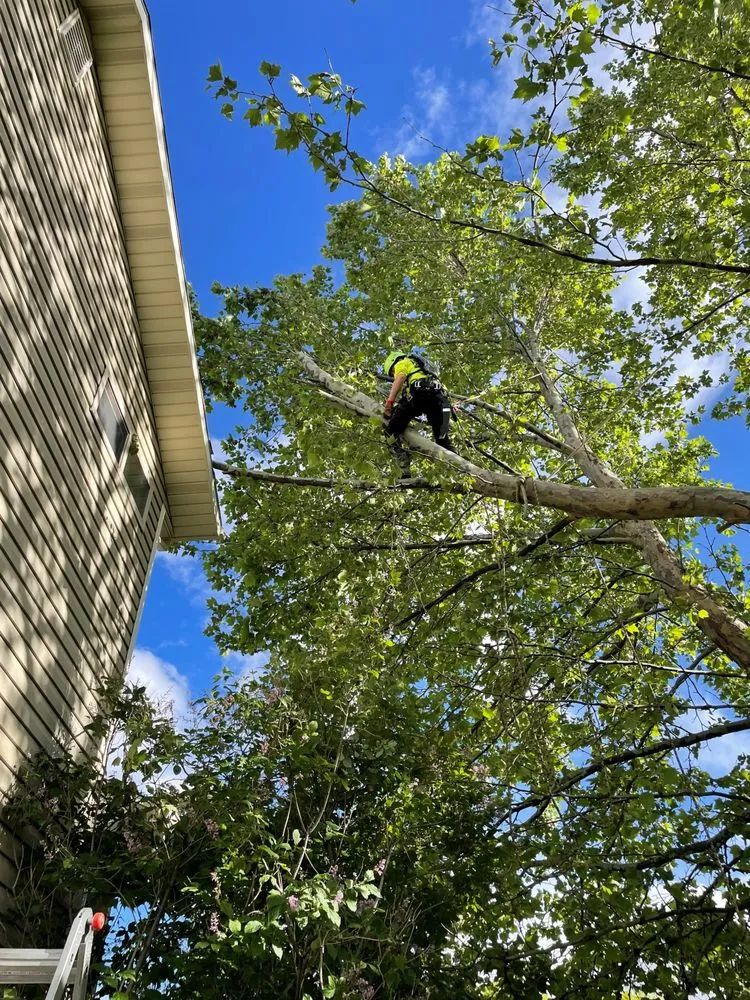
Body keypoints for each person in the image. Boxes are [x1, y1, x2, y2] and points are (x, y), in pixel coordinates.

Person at [382, 350, 456, 478]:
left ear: (393, 364)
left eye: (392, 372)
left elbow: (399, 378)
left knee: (391, 432)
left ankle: (403, 467)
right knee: (442, 439)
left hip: (419, 394)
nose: (393, 374)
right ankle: (458, 467)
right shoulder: (422, 368)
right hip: (438, 398)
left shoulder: (402, 363)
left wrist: (389, 404)